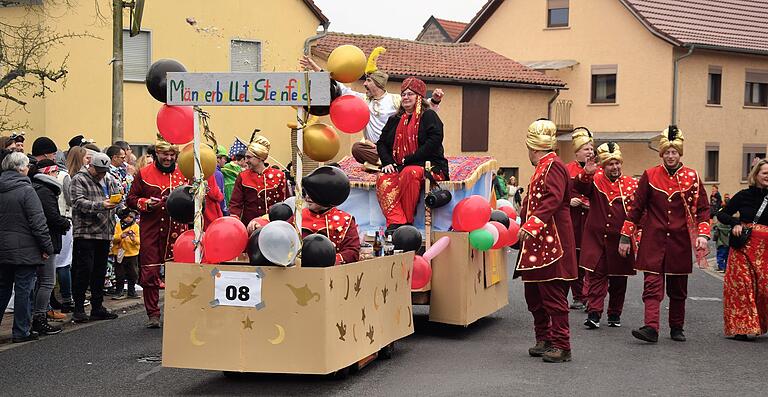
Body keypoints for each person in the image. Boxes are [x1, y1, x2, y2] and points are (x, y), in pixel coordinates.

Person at [619, 126, 710, 343]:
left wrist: (703, 234)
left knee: (678, 288)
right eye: (667, 152)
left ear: (680, 154)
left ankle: (677, 327)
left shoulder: (692, 176)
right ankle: (651, 328)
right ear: (661, 154)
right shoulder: (650, 175)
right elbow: (636, 208)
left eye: (674, 152)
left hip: (679, 240)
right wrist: (625, 236)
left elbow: (704, 208)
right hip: (653, 239)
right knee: (651, 284)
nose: (671, 156)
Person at [300, 51, 443, 169]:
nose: (364, 84)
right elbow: (339, 87)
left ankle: (389, 162)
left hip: (395, 147)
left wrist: (435, 99)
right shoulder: (363, 100)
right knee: (357, 149)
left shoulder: (395, 100)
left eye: (368, 81)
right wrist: (315, 68)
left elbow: (422, 107)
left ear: (377, 84)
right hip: (375, 149)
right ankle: (384, 163)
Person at [516, 119, 578, 363]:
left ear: (533, 148)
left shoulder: (553, 166)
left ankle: (562, 345)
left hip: (552, 242)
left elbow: (552, 199)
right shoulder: (543, 166)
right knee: (535, 295)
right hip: (537, 242)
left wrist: (530, 225)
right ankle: (545, 339)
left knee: (552, 294)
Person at [573, 142, 637, 329]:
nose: (615, 167)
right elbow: (579, 187)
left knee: (618, 280)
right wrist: (587, 172)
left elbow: (636, 213)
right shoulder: (595, 181)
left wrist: (629, 235)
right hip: (597, 239)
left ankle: (614, 314)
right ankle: (594, 313)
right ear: (603, 165)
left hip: (620, 240)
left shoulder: (631, 185)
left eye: (617, 163)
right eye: (610, 164)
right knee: (596, 276)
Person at [127, 139, 188, 328]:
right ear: (157, 154)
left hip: (177, 230)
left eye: (172, 155)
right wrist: (145, 203)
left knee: (177, 273)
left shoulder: (184, 173)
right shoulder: (144, 174)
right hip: (151, 229)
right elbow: (131, 199)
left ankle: (177, 311)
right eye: (165, 155)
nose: (168, 158)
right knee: (150, 271)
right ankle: (153, 314)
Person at [375, 77, 449, 233]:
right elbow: (381, 143)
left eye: (410, 94)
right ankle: (396, 221)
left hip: (429, 166)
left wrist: (409, 160)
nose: (406, 97)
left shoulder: (428, 116)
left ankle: (407, 223)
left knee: (409, 172)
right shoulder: (394, 120)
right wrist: (387, 162)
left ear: (419, 97)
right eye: (403, 94)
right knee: (383, 177)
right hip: (400, 165)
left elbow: (434, 140)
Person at [0, 152, 54, 343]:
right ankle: (21, 330)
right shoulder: (26, 190)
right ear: (22, 168)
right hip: (25, 249)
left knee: (3, 288)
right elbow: (38, 223)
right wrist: (47, 247)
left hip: (3, 248)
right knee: (24, 290)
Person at [716, 159, 768, 340]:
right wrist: (736, 223)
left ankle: (759, 323)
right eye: (765, 173)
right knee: (742, 287)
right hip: (743, 248)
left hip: (765, 251)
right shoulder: (744, 195)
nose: (767, 176)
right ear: (756, 175)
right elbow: (721, 214)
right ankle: (743, 327)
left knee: (763, 289)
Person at [70, 151, 120, 323]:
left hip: (105, 232)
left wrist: (122, 207)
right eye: (98, 170)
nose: (101, 174)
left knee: (100, 271)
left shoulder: (109, 179)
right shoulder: (79, 179)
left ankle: (97, 307)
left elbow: (118, 201)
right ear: (90, 165)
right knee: (84, 270)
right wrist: (101, 205)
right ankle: (78, 308)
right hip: (86, 232)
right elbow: (77, 202)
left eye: (103, 171)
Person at [29, 159, 71, 335]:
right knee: (47, 281)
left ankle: (38, 315)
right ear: (47, 173)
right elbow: (50, 217)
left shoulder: (37, 188)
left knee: (40, 281)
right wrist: (64, 223)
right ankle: (40, 317)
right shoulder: (45, 191)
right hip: (48, 240)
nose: (57, 176)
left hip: (42, 240)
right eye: (54, 172)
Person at [229, 136, 288, 227]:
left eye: (249, 157)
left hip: (273, 226)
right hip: (248, 226)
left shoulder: (279, 176)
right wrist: (234, 223)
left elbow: (284, 204)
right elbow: (235, 204)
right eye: (245, 157)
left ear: (260, 158)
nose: (246, 161)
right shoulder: (242, 176)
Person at [565, 127, 594, 311]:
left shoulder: (598, 171)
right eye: (586, 149)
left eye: (592, 149)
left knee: (590, 260)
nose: (590, 152)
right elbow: (559, 193)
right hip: (573, 221)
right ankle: (578, 296)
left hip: (591, 220)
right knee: (574, 259)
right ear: (577, 152)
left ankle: (591, 295)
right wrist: (569, 201)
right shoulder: (567, 169)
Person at [111, 208, 140, 300]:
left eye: (131, 217)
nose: (129, 218)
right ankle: (119, 291)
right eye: (127, 216)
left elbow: (139, 241)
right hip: (120, 254)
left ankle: (131, 291)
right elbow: (113, 238)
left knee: (133, 274)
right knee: (120, 274)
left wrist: (133, 238)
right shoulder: (118, 225)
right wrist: (121, 236)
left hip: (132, 254)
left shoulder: (136, 227)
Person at [214, 145, 229, 215]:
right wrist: (225, 212)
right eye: (224, 158)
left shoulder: (207, 171)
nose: (226, 161)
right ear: (218, 159)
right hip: (217, 212)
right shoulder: (218, 174)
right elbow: (220, 195)